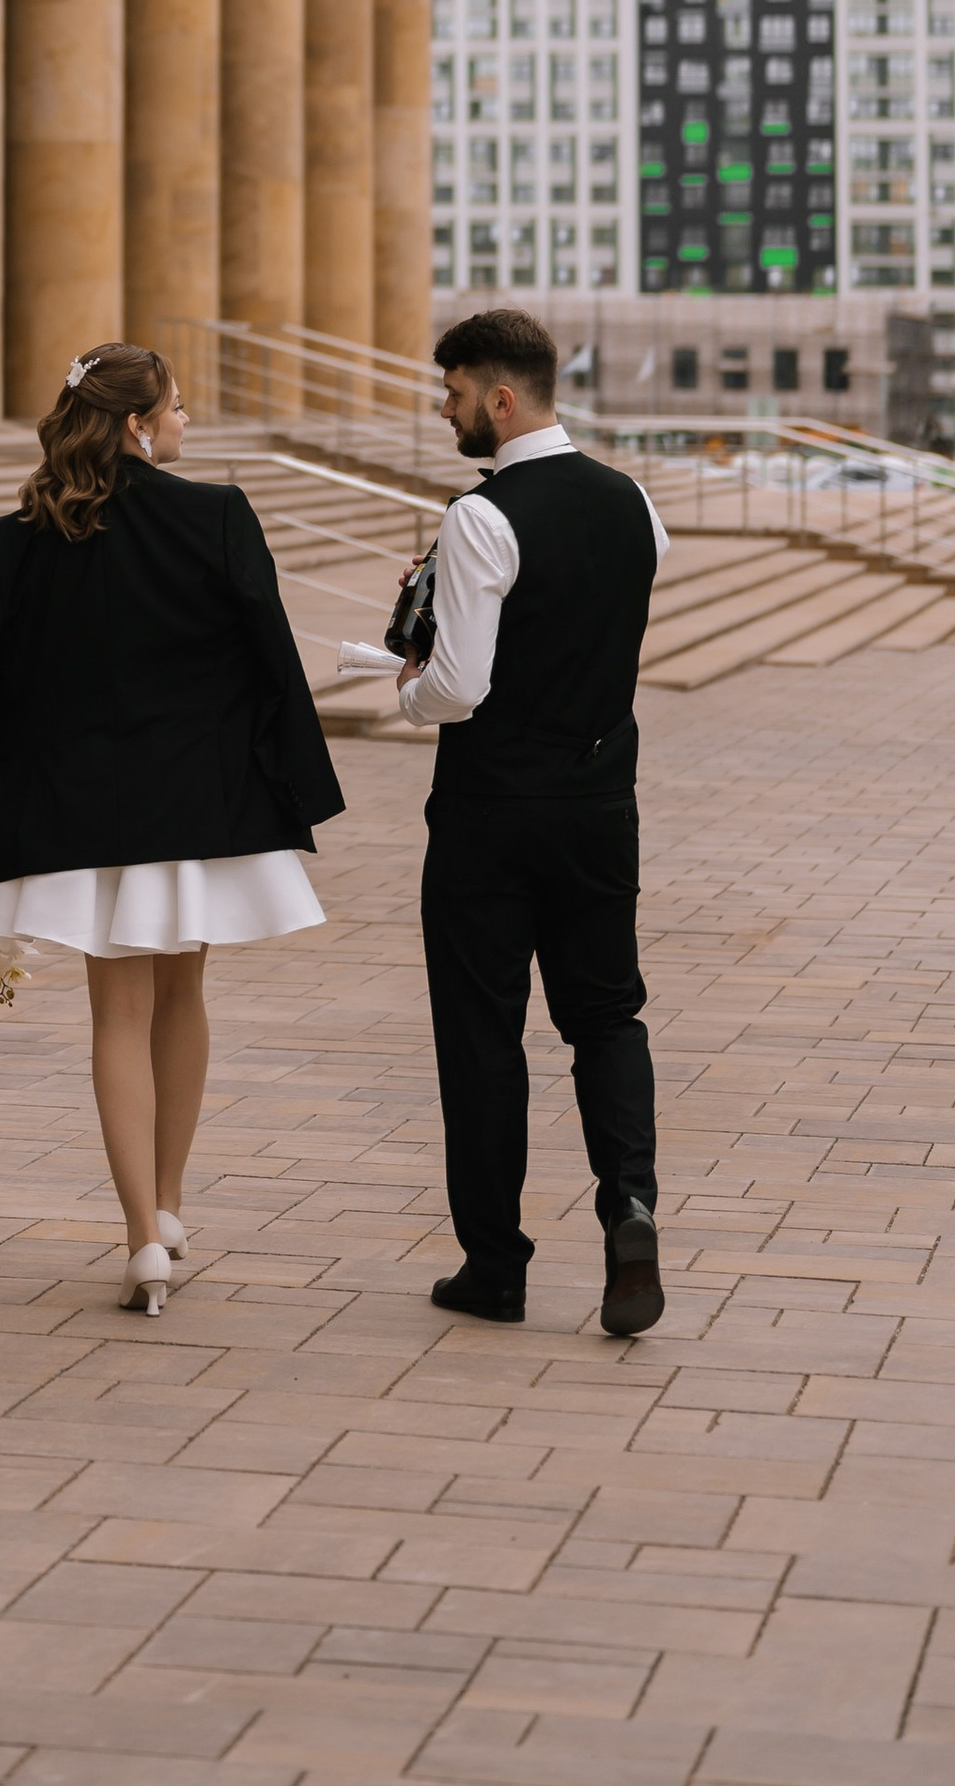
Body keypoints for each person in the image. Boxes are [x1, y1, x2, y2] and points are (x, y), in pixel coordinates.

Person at [0, 343, 345, 1315]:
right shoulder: (215, 516)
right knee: (180, 997)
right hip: (197, 803)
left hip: (70, 809)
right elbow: (274, 661)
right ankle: (167, 1202)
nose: (187, 421)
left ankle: (138, 1237)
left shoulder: (17, 533)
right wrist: (300, 789)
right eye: (178, 407)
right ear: (134, 424)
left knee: (112, 1014)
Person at [398, 305, 668, 1336]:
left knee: (481, 1032)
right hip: (600, 803)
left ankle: (494, 1265)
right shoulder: (631, 500)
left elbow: (462, 685)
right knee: (605, 1014)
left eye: (455, 391)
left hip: (490, 811)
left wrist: (408, 687)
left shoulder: (482, 514)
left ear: (499, 398)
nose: (446, 408)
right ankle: (630, 1207)